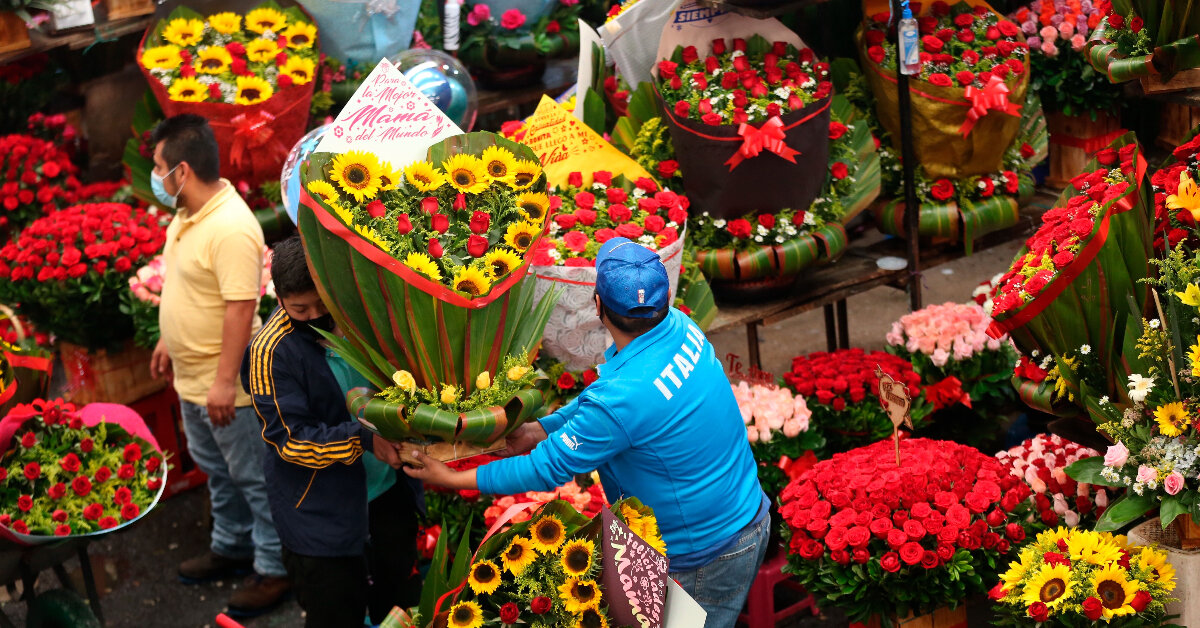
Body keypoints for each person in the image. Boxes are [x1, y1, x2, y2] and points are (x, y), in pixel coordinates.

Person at [404, 237, 770, 627]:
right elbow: (605, 404)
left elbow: (546, 468)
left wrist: (452, 477)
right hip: (745, 515)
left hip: (703, 555)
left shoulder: (622, 398)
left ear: (598, 306)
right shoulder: (679, 327)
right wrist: (540, 430)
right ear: (664, 300)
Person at [241, 236, 423, 628]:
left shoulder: (360, 312)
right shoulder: (270, 351)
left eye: (321, 303)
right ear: (278, 298)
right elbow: (290, 440)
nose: (314, 316)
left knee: (400, 607)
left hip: (388, 492)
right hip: (320, 512)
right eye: (299, 309)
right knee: (335, 613)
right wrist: (364, 439)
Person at [147, 114, 289, 616]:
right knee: (218, 472)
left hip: (227, 387)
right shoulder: (188, 214)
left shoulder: (231, 227)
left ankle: (274, 568)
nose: (156, 177)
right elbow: (186, 285)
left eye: (159, 167)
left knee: (254, 477)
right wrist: (167, 339)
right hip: (192, 379)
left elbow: (240, 308)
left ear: (182, 171)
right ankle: (232, 545)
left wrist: (226, 382)